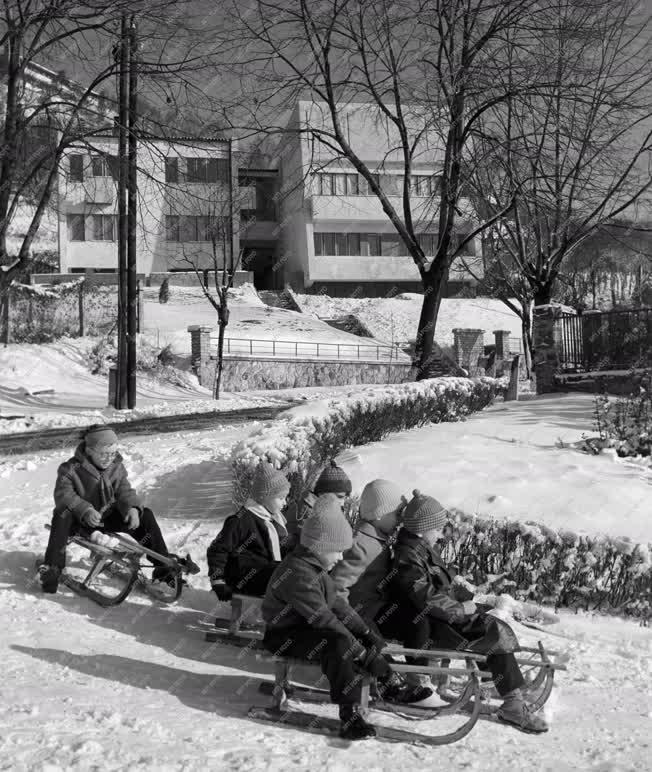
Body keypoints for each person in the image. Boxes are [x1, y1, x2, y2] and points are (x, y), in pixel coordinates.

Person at [387, 490, 549, 734]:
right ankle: (512, 702)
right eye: (437, 529)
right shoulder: (407, 557)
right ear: (422, 529)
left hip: (439, 615)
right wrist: (461, 608)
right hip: (432, 622)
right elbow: (425, 597)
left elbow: (440, 585)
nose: (440, 535)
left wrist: (468, 598)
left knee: (489, 621)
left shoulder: (418, 548)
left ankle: (494, 681)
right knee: (493, 630)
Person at [262, 494, 405, 741]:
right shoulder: (299, 574)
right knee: (338, 644)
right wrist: (363, 654)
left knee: (360, 628)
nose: (340, 558)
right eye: (337, 551)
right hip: (283, 634)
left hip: (305, 627)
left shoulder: (315, 566)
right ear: (319, 546)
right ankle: (350, 717)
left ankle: (385, 680)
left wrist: (367, 635)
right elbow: (324, 620)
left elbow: (338, 605)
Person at [330, 479, 436, 705]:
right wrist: (349, 620)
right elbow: (337, 588)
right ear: (379, 515)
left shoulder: (380, 539)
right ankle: (389, 685)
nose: (400, 519)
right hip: (358, 612)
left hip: (378, 608)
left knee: (418, 618)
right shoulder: (359, 543)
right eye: (397, 513)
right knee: (373, 641)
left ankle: (418, 677)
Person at [39, 425, 172, 594]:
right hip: (79, 523)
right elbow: (64, 494)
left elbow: (124, 490)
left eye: (112, 453)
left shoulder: (116, 467)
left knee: (145, 515)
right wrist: (85, 509)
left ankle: (165, 571)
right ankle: (53, 568)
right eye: (103, 453)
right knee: (61, 515)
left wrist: (132, 508)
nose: (108, 458)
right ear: (89, 451)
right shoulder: (69, 469)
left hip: (105, 519)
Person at [207, 461, 293, 600]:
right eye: (281, 498)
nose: (285, 502)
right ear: (265, 497)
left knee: (298, 570)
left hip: (265, 571)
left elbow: (280, 548)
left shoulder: (272, 519)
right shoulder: (241, 520)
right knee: (288, 574)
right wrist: (218, 581)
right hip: (244, 578)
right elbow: (217, 550)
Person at [287, 460, 352, 534]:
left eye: (344, 497)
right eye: (340, 497)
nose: (342, 503)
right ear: (324, 492)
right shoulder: (305, 510)